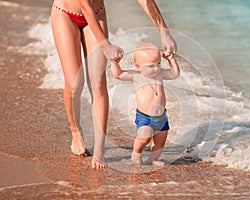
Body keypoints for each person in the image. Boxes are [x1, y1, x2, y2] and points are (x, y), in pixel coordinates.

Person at [50, 0, 177, 169]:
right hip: (65, 15)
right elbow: (84, 5)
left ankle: (99, 150)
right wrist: (105, 44)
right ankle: (75, 130)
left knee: (98, 83)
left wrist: (163, 31)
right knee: (75, 84)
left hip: (97, 14)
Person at [111, 42, 180, 165]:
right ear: (138, 66)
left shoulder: (160, 73)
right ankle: (136, 154)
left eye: (158, 63)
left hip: (161, 117)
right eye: (150, 66)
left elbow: (174, 74)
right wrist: (115, 63)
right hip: (145, 117)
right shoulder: (136, 75)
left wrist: (171, 60)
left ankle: (153, 159)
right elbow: (118, 74)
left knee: (160, 141)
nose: (155, 68)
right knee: (145, 137)